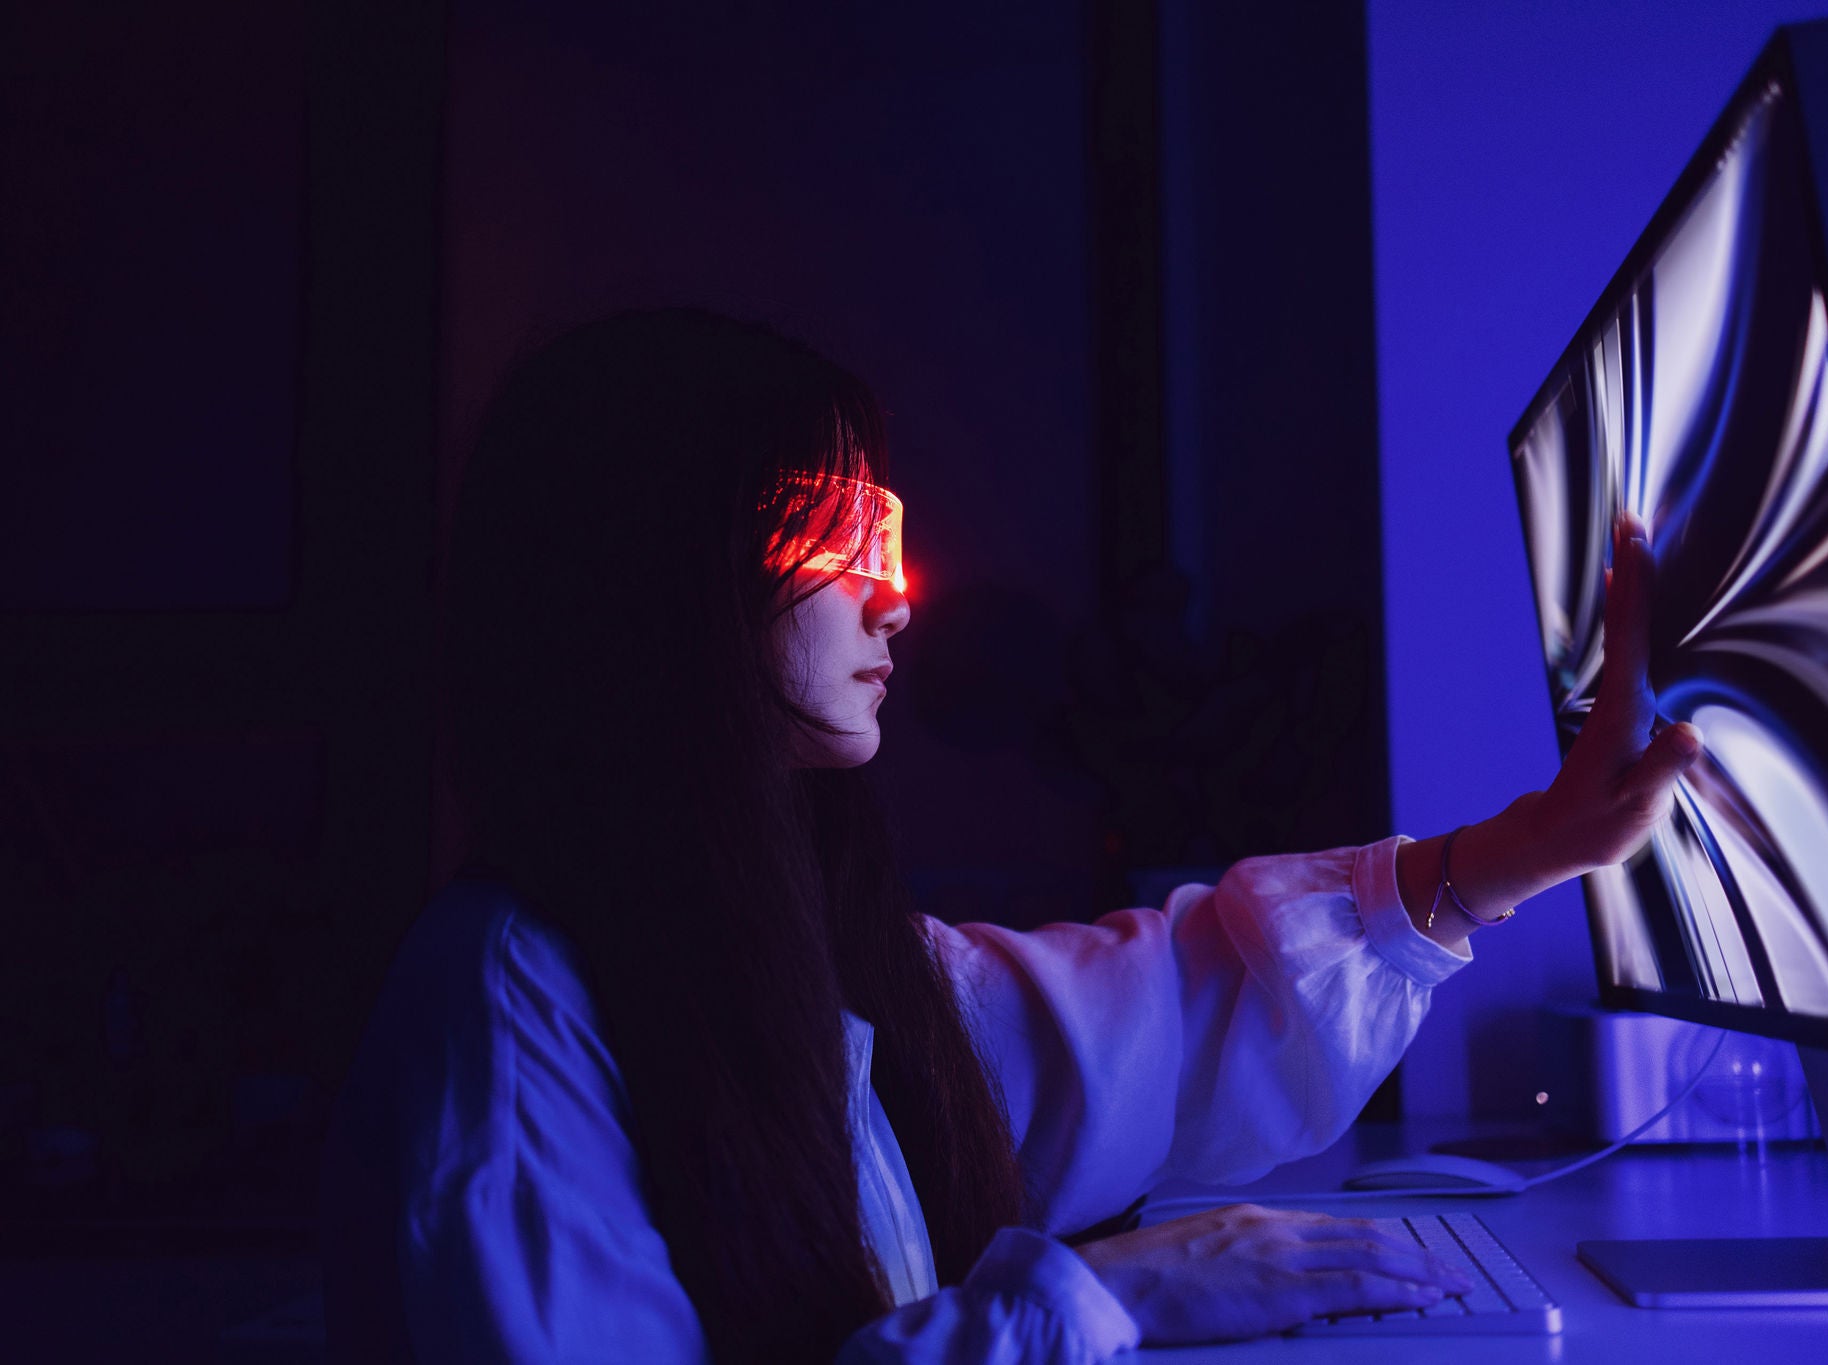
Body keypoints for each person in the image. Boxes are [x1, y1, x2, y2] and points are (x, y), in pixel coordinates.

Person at [319, 308, 1699, 1364]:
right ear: (651, 574)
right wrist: (1117, 1293)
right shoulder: (510, 1015)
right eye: (834, 528)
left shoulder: (787, 939)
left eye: (888, 530)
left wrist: (1512, 851)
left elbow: (1132, 1022)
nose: (895, 600)